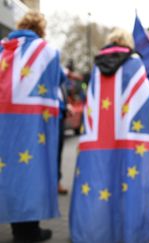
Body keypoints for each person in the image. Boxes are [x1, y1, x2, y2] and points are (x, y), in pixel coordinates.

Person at [69, 28, 149, 243]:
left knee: (101, 183)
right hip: (128, 139)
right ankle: (130, 228)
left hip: (98, 139)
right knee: (129, 182)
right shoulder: (135, 63)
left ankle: (98, 230)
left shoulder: (97, 68)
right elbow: (146, 102)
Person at [0, 11, 64, 242]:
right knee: (31, 171)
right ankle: (29, 230)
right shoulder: (46, 51)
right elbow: (58, 80)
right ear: (40, 30)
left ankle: (19, 229)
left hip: (4, 121)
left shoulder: (2, 48)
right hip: (33, 121)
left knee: (8, 171)